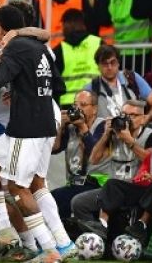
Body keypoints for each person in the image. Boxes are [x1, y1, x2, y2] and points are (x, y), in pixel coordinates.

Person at [0, 5, 67, 262]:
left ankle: (49, 249)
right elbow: (58, 84)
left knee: (18, 185)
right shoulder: (40, 47)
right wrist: (20, 89)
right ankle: (56, 244)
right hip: (42, 122)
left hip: (26, 127)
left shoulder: (14, 47)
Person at [79, 111, 152, 244]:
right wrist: (143, 178)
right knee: (112, 184)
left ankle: (141, 224)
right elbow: (139, 177)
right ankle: (102, 224)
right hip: (146, 191)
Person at [74, 100, 152, 232]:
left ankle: (103, 228)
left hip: (137, 189)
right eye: (124, 114)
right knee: (79, 203)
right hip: (112, 191)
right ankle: (98, 237)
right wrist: (106, 134)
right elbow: (94, 159)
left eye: (132, 115)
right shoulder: (114, 134)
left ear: (143, 119)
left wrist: (129, 141)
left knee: (112, 185)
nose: (127, 119)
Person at [51, 90, 105, 219]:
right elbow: (54, 149)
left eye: (83, 105)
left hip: (96, 185)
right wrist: (60, 126)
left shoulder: (103, 126)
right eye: (75, 105)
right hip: (74, 185)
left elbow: (95, 154)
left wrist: (83, 128)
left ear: (94, 109)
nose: (78, 108)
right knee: (50, 200)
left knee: (56, 199)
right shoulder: (70, 128)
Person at [85, 45, 152, 124]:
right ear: (98, 66)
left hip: (134, 134)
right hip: (105, 135)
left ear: (118, 63)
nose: (109, 67)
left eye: (113, 62)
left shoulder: (132, 78)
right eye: (105, 64)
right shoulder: (91, 88)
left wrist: (146, 118)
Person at [53, 9, 102, 108]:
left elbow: (54, 82)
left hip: (68, 104)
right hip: (95, 101)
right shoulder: (98, 43)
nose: (62, 28)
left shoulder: (59, 50)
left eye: (63, 25)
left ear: (68, 24)